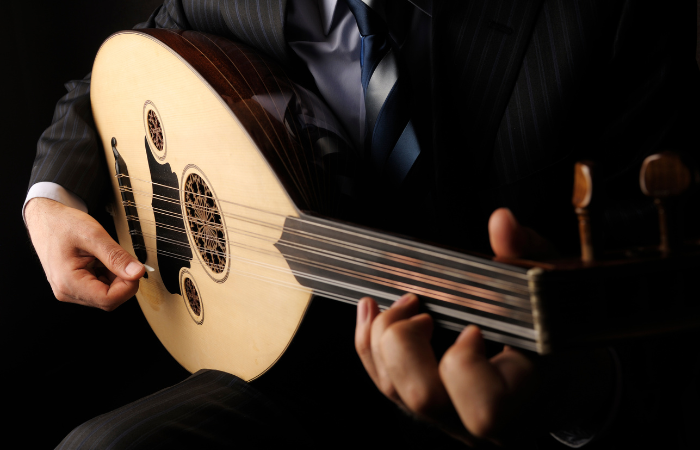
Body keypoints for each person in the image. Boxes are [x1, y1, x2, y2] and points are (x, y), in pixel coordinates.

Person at [24, 0, 700, 448]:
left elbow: (660, 350)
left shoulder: (608, 17)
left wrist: (582, 391)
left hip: (505, 399)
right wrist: (50, 197)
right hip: (290, 371)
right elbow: (127, 61)